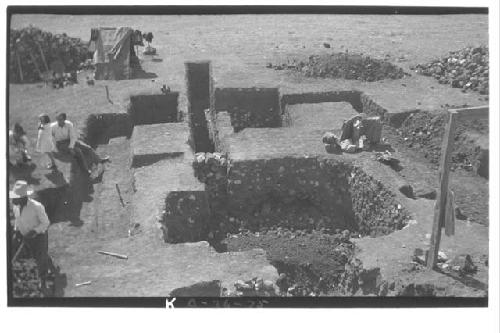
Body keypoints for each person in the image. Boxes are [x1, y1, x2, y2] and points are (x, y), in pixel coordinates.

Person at [10, 180, 51, 291]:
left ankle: (43, 280)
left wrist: (34, 231)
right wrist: (17, 231)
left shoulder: (37, 207)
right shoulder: (16, 206)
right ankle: (45, 259)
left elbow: (46, 223)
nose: (13, 200)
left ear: (23, 198)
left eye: (15, 197)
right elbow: (18, 221)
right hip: (25, 238)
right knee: (35, 255)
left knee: (40, 258)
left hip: (38, 237)